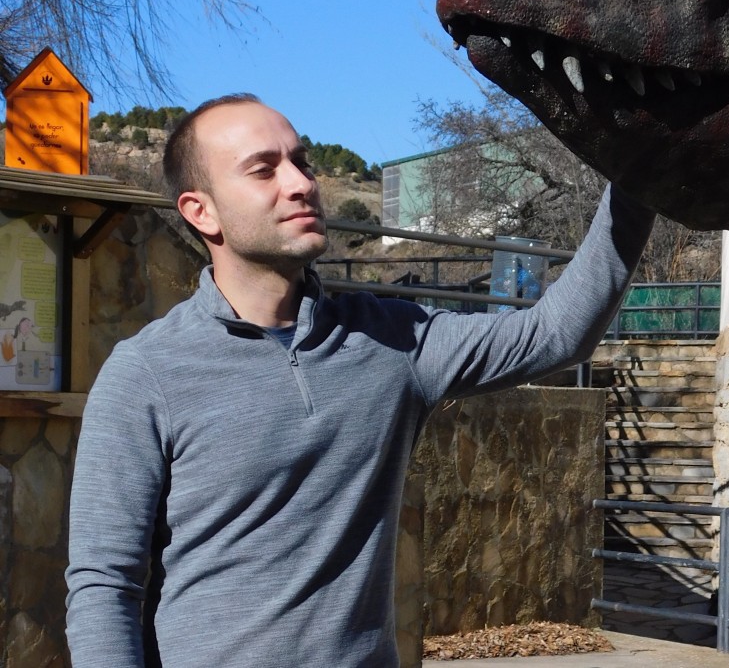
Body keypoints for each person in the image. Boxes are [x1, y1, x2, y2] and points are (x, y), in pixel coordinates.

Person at [64, 94, 655, 668]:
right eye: (263, 170)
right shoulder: (146, 372)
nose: (299, 182)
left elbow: (555, 334)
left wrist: (641, 173)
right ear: (201, 211)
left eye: (301, 162)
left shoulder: (394, 341)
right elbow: (102, 584)